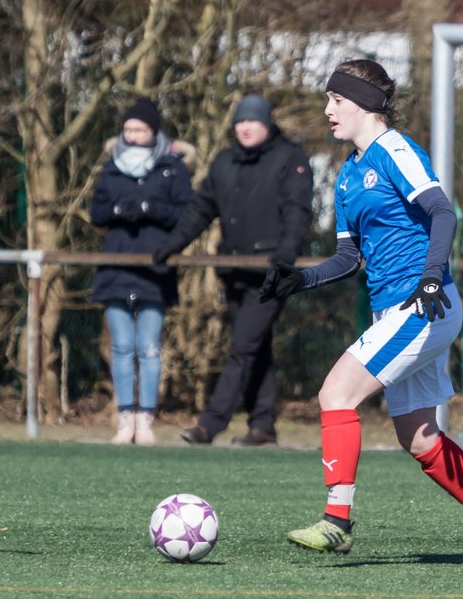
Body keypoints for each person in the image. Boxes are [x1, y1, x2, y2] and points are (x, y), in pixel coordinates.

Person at [260, 60, 463, 568]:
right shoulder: (348, 174)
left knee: (335, 393)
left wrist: (431, 277)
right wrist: (301, 279)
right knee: (418, 436)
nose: (327, 110)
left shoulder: (395, 151)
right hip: (397, 310)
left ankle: (337, 522)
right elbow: (347, 257)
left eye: (336, 100)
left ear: (363, 104)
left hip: (424, 302)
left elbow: (442, 212)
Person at [152, 94, 313, 447]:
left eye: (253, 121)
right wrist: (172, 244)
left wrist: (287, 251)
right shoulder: (224, 162)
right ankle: (263, 425)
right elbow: (200, 209)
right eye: (240, 121)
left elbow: (296, 210)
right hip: (235, 270)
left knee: (242, 346)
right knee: (256, 346)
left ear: (267, 124)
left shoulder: (290, 159)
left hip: (272, 273)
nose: (245, 127)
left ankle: (210, 424)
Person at [90, 97, 193, 445]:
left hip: (155, 267)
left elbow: (184, 214)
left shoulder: (172, 166)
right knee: (121, 346)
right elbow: (97, 212)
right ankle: (125, 418)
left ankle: (146, 418)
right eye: (128, 129)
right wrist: (120, 208)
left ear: (153, 131)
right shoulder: (112, 166)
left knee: (148, 346)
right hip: (116, 266)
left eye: (140, 129)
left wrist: (151, 207)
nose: (132, 136)